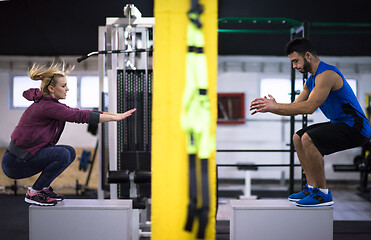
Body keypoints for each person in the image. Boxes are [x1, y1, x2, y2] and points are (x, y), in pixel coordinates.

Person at [250, 38, 371, 207]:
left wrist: (275, 106)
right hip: (341, 123)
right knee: (298, 137)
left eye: (296, 61)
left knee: (308, 138)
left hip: (357, 127)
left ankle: (322, 193)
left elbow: (309, 107)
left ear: (307, 55)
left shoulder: (327, 75)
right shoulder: (311, 80)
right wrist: (273, 106)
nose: (294, 66)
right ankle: (311, 188)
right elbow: (295, 107)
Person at [1, 63, 136, 206]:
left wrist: (116, 115)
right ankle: (34, 192)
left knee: (69, 152)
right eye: (64, 86)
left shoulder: (48, 102)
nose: (68, 89)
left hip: (23, 158)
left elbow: (78, 113)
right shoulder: (47, 106)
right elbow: (79, 116)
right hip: (15, 163)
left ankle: (43, 189)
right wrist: (115, 117)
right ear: (52, 89)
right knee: (63, 154)